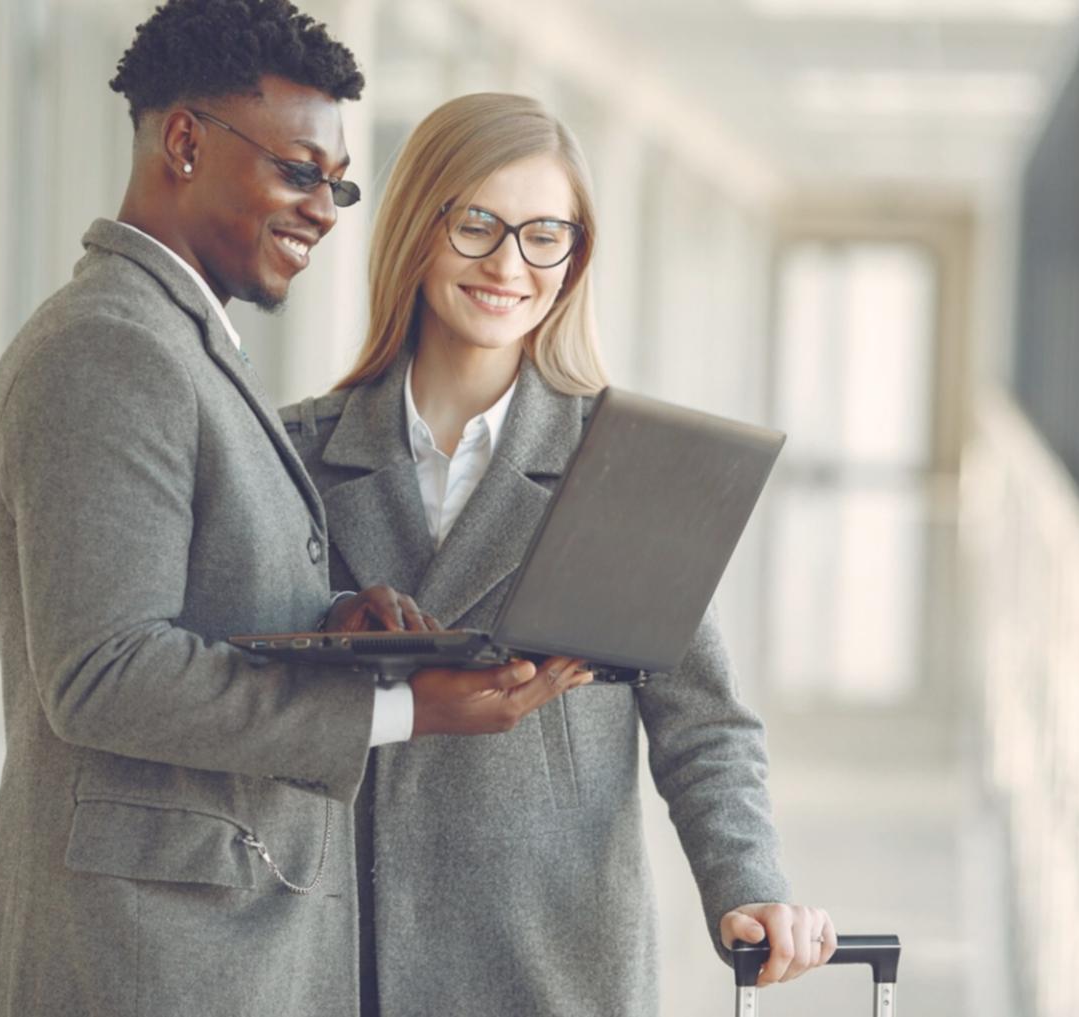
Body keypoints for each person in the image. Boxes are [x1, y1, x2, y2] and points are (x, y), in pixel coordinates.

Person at [0, 7, 584, 1016]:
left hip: (203, 937)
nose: (325, 209)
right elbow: (103, 674)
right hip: (139, 959)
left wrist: (323, 622)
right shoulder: (109, 351)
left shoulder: (181, 343)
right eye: (299, 173)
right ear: (185, 141)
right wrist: (398, 709)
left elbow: (185, 604)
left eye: (337, 185)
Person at [280, 92, 835, 1017]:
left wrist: (746, 880)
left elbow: (702, 722)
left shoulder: (623, 467)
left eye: (547, 234)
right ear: (418, 227)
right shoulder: (295, 452)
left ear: (576, 257)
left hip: (552, 955)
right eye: (477, 225)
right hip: (337, 950)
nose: (509, 264)